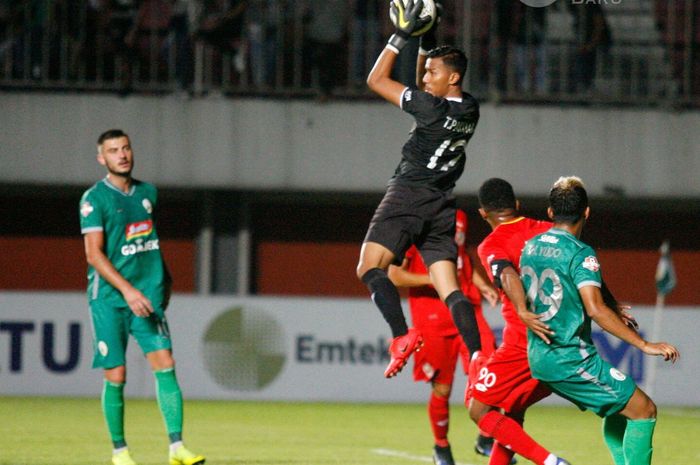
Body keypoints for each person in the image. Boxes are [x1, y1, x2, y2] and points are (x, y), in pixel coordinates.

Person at [355, 0, 483, 382]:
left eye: (433, 73)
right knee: (450, 288)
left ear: (453, 79)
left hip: (408, 194)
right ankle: (477, 357)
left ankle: (400, 336)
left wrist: (401, 36)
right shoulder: (469, 108)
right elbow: (420, 85)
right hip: (442, 204)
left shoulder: (430, 110)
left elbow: (376, 81)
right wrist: (428, 39)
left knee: (369, 267)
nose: (425, 78)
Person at [519, 176, 680, 465]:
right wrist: (644, 345)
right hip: (569, 358)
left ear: (551, 212)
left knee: (621, 410)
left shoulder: (530, 246)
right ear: (587, 212)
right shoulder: (581, 254)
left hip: (540, 353)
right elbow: (594, 309)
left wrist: (610, 303)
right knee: (645, 410)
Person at [79, 129, 205, 465]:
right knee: (116, 375)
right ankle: (120, 452)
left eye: (125, 148)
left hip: (146, 298)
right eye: (112, 150)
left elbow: (146, 241)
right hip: (109, 299)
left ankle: (177, 448)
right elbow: (94, 255)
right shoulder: (94, 199)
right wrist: (128, 290)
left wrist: (164, 279)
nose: (121, 155)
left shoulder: (148, 193)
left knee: (166, 365)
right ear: (101, 158)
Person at [469, 177, 571, 465]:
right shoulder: (550, 231)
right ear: (516, 205)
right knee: (513, 410)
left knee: (480, 411)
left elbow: (506, 273)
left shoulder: (492, 244)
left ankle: (550, 462)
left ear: (482, 213)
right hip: (563, 341)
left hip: (522, 344)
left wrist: (523, 309)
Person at [388, 209, 499, 465]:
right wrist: (435, 279)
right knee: (442, 387)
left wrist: (482, 285)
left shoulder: (459, 215)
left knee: (488, 367)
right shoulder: (412, 222)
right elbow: (395, 275)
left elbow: (461, 259)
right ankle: (441, 446)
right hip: (431, 317)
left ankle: (485, 437)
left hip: (465, 308)